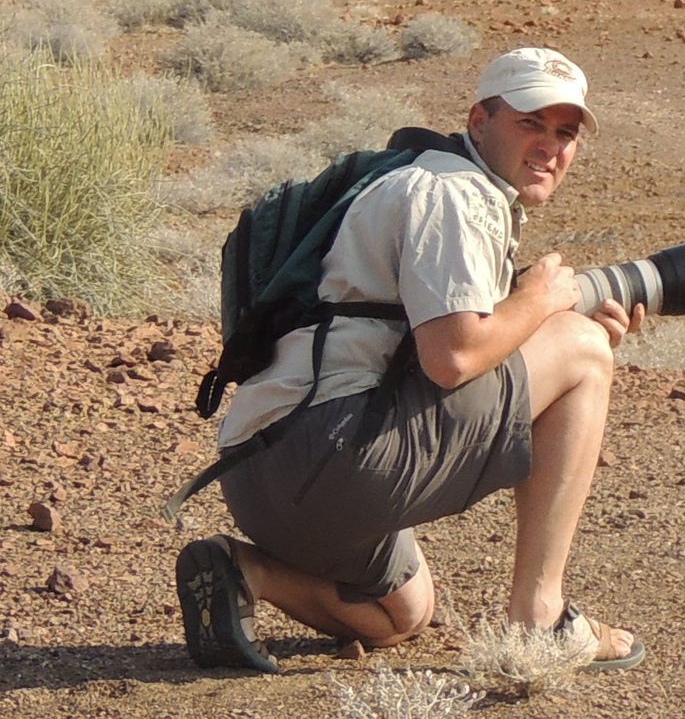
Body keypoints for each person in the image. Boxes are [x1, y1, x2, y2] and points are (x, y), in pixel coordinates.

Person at [175, 46, 645, 673]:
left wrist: (542, 314)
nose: (550, 147)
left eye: (565, 133)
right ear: (479, 120)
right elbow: (453, 357)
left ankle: (246, 570)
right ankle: (542, 619)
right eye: (529, 123)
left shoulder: (416, 177)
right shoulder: (455, 192)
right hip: (332, 456)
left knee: (401, 613)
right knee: (583, 355)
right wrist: (547, 304)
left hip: (258, 478)